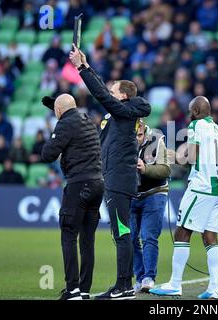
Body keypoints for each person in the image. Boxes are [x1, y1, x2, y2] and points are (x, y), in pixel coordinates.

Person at [69, 44, 151, 300]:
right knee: (123, 233)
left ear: (123, 97)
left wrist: (82, 68)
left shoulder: (123, 112)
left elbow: (102, 95)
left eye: (114, 92)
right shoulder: (121, 114)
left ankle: (123, 286)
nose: (110, 94)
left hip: (118, 180)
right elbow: (105, 92)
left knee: (122, 233)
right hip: (116, 178)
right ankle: (124, 285)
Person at [150, 96, 218, 299]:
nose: (189, 114)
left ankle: (175, 284)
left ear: (197, 112)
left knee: (182, 232)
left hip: (201, 187)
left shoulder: (196, 125)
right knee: (210, 237)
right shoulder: (216, 128)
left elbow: (190, 158)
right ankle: (213, 288)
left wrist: (170, 156)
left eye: (191, 111)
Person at [41, 94, 104, 300]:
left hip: (79, 184)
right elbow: (68, 114)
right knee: (87, 240)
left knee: (68, 234)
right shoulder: (86, 120)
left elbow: (48, 153)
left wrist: (53, 132)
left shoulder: (65, 124)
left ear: (59, 112)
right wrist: (58, 108)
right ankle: (84, 290)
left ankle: (73, 290)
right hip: (97, 184)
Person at [130, 120, 170, 293]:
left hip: (155, 192)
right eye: (134, 136)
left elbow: (165, 170)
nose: (137, 139)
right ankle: (139, 278)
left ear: (145, 131)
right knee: (130, 238)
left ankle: (149, 277)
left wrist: (145, 168)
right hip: (131, 195)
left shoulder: (157, 140)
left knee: (148, 236)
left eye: (139, 135)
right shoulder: (122, 140)